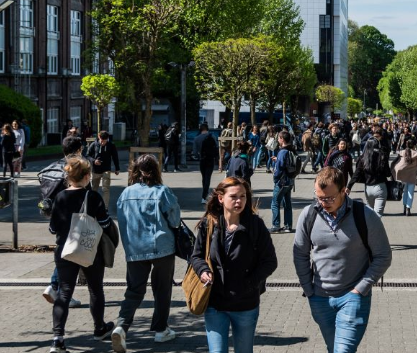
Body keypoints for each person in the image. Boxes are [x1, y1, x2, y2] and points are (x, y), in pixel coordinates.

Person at [293, 167, 392, 353]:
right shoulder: (309, 215)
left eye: (330, 198)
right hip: (319, 298)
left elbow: (383, 255)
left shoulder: (365, 216)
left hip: (352, 297)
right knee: (333, 348)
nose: (324, 203)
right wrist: (308, 288)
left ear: (344, 191)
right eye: (319, 197)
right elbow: (300, 253)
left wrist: (360, 289)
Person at [190, 177, 278, 353]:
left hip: (245, 304)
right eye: (234, 196)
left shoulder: (255, 225)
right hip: (215, 303)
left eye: (243, 196)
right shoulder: (210, 223)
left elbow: (270, 261)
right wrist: (203, 270)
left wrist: (249, 284)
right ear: (221, 198)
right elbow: (196, 256)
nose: (239, 201)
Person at [111, 154, 180, 351]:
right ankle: (160, 330)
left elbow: (122, 221)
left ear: (134, 171)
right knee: (162, 289)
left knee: (134, 290)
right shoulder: (162, 191)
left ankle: (122, 326)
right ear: (156, 170)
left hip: (135, 248)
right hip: (162, 246)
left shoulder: (126, 194)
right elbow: (174, 221)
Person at [46, 156, 115, 353]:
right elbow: (105, 224)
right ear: (86, 176)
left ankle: (57, 339)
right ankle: (99, 328)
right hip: (89, 248)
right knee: (95, 289)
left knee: (65, 291)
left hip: (64, 250)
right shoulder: (93, 197)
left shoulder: (59, 197)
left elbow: (52, 229)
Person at [39, 136, 88, 309]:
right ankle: (60, 291)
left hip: (57, 219)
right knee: (72, 257)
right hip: (75, 221)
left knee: (65, 255)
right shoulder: (76, 168)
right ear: (79, 149)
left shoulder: (55, 166)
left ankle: (55, 287)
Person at [269, 131, 297, 233]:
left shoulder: (282, 151)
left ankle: (276, 225)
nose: (278, 140)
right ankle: (288, 226)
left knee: (275, 203)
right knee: (287, 204)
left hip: (281, 181)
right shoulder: (291, 150)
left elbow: (280, 167)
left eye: (279, 138)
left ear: (282, 139)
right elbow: (287, 163)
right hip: (290, 181)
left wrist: (275, 178)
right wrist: (278, 159)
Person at [356, 133, 389, 217]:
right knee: (378, 215)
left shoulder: (363, 158)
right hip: (380, 187)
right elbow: (388, 173)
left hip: (368, 188)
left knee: (370, 214)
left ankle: (369, 229)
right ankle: (373, 229)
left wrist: (349, 186)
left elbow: (357, 173)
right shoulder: (382, 156)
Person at [87, 131, 120, 208]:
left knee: (105, 189)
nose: (103, 143)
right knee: (94, 189)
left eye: (105, 141)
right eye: (102, 141)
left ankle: (105, 208)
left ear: (107, 139)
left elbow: (115, 157)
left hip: (106, 169)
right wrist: (94, 161)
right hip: (95, 170)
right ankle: (93, 206)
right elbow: (87, 155)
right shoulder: (93, 144)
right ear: (99, 137)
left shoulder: (111, 145)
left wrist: (117, 168)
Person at [390, 138, 417, 216]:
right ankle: (408, 209)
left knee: (405, 191)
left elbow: (397, 162)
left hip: (402, 175)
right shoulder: (416, 153)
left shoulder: (402, 152)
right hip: (412, 175)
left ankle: (404, 208)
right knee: (410, 192)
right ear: (414, 145)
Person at [194, 123, 220, 204]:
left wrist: (199, 156)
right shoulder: (212, 137)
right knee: (208, 177)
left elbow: (195, 152)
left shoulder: (196, 138)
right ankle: (204, 196)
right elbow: (216, 147)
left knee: (204, 177)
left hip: (202, 160)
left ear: (200, 129)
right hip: (210, 160)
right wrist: (217, 158)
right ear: (207, 129)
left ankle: (204, 194)